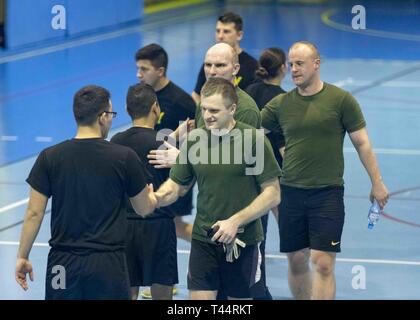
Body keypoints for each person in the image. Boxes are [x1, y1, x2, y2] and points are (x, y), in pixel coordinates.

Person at [261, 41, 389, 300]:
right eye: (291, 64)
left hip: (327, 194)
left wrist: (377, 182)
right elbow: (247, 134)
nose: (294, 69)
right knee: (297, 260)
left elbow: (362, 142)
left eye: (300, 64)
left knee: (323, 262)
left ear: (316, 64)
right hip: (291, 193)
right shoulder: (280, 105)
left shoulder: (341, 101)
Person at [15, 85, 157, 300]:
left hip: (61, 264)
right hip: (108, 264)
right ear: (102, 117)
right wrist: (153, 198)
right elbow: (143, 208)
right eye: (110, 114)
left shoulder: (49, 157)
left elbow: (34, 213)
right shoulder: (123, 157)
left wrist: (22, 256)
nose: (111, 120)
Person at [154, 77, 282, 300]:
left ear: (232, 109)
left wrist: (235, 221)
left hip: (243, 241)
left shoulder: (253, 140)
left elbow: (272, 193)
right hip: (205, 240)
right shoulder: (195, 140)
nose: (207, 116)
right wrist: (155, 199)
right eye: (203, 109)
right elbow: (177, 186)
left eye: (214, 110)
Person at [110, 83, 179, 300]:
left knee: (127, 288)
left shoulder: (116, 141)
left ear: (128, 109)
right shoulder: (165, 143)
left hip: (125, 225)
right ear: (155, 108)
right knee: (162, 288)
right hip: (159, 226)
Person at [245, 47, 288, 299]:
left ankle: (253, 284)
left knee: (253, 232)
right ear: (282, 69)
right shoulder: (283, 99)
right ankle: (259, 290)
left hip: (246, 169)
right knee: (279, 225)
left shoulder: (249, 92)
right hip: (271, 172)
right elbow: (282, 145)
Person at [191, 11, 258, 105]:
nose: (220, 36)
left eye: (226, 31)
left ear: (239, 35)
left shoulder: (253, 67)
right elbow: (196, 95)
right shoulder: (211, 62)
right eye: (218, 31)